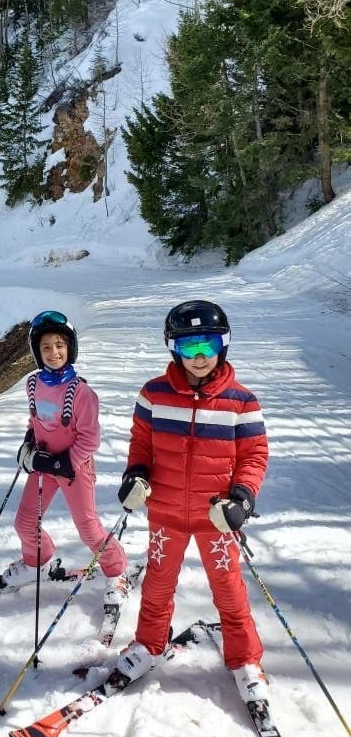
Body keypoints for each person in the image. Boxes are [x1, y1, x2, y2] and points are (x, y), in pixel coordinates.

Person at [115, 300, 269, 701]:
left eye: (208, 345)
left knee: (229, 590)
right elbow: (142, 444)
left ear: (224, 345)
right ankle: (148, 645)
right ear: (173, 348)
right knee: (157, 584)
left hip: (215, 517)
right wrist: (135, 475)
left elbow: (254, 456)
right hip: (165, 512)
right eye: (188, 347)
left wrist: (242, 499)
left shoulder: (241, 401)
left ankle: (245, 659)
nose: (199, 357)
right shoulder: (153, 395)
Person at [0, 310, 129, 606]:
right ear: (37, 352)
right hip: (42, 466)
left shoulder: (81, 393)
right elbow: (36, 422)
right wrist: (29, 443)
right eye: (46, 347)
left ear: (70, 348)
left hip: (74, 469)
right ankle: (36, 562)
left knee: (88, 528)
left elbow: (90, 439)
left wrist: (62, 463)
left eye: (59, 345)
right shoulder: (33, 385)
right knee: (24, 523)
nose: (54, 352)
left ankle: (116, 570)